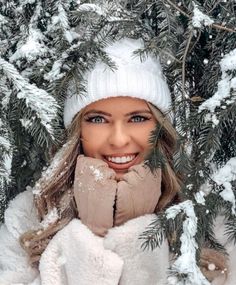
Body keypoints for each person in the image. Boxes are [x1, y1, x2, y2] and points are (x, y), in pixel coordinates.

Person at [0, 38, 235, 285]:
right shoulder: (30, 216)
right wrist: (91, 234)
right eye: (98, 119)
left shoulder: (209, 216)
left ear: (161, 129)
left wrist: (137, 234)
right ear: (77, 131)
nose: (119, 140)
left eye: (137, 118)